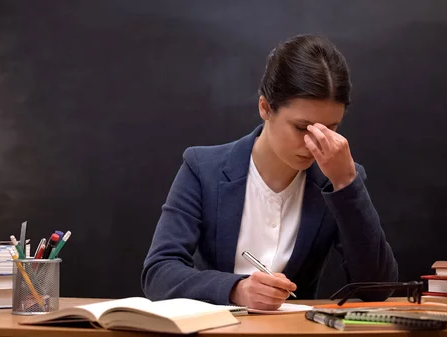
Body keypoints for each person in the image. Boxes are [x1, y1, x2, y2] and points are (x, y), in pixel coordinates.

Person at [141, 34, 398, 310]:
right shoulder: (203, 169)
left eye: (331, 129)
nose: (315, 143)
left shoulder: (338, 178)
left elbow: (379, 287)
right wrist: (235, 289)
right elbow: (158, 272)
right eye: (302, 127)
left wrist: (346, 183)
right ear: (265, 108)